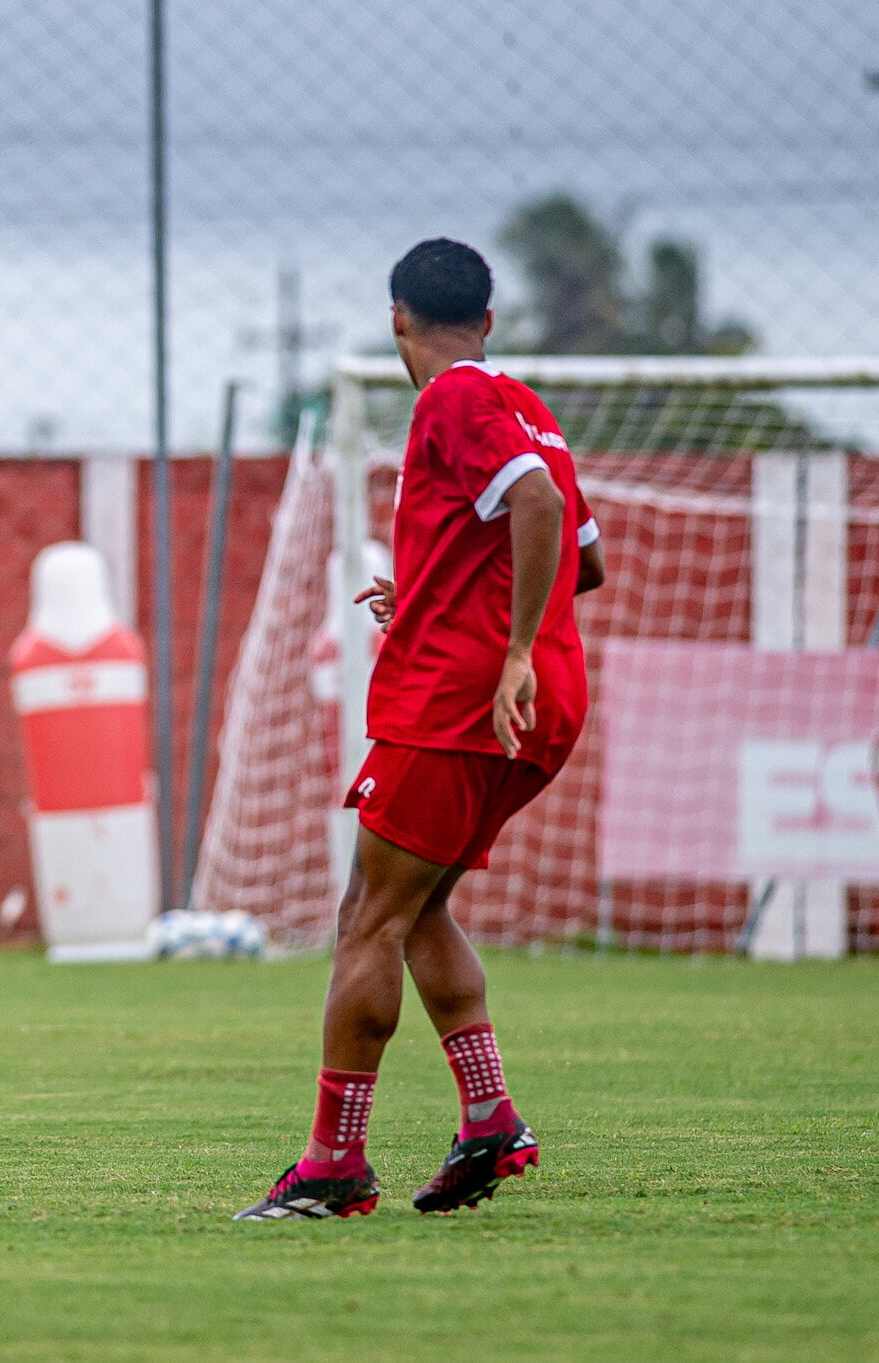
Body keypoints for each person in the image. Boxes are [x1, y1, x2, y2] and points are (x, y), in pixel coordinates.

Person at [236, 239, 606, 1220]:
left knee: (368, 917)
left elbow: (526, 503)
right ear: (486, 319)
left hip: (459, 701)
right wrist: (443, 586)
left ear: (395, 317)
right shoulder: (531, 409)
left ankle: (332, 1164)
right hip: (537, 706)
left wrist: (509, 646)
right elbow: (586, 558)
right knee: (418, 907)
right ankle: (487, 1116)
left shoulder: (449, 398)